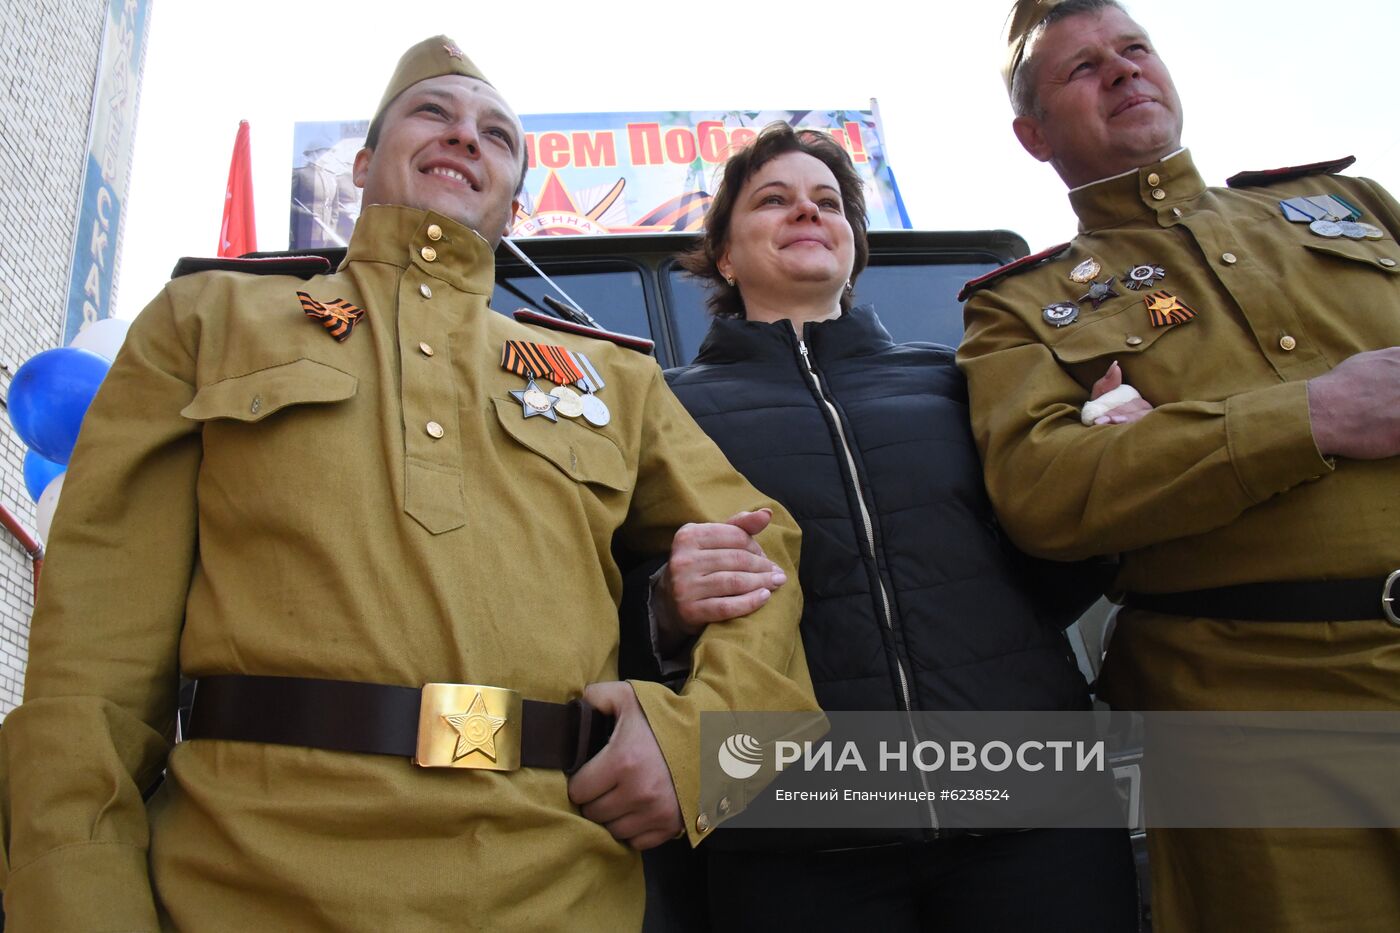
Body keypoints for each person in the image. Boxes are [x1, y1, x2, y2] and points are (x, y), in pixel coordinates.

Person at [0, 37, 819, 930]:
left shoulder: (608, 377)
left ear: (513, 202)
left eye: (497, 135)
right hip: (242, 885)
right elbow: (92, 676)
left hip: (556, 892)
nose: (466, 136)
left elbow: (762, 540)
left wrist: (709, 757)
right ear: (361, 162)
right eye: (434, 112)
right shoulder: (207, 321)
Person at [631, 122, 1140, 932]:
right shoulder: (662, 408)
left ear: (854, 247)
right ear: (723, 254)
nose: (807, 212)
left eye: (828, 202)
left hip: (1035, 819)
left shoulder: (955, 382)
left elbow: (1053, 580)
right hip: (795, 840)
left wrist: (1106, 478)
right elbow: (587, 603)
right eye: (774, 200)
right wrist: (662, 604)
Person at [956, 2, 1400, 931]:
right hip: (1256, 719)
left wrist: (1158, 435)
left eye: (1134, 50)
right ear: (1032, 136)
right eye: (1084, 69)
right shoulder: (1023, 309)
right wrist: (1312, 415)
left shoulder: (1350, 207)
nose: (1122, 72)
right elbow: (1047, 491)